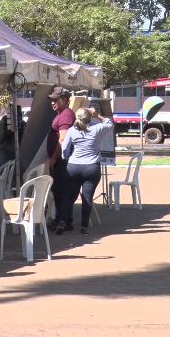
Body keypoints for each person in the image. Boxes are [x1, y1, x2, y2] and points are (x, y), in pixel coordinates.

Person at [59, 107, 113, 235]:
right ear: (90, 117)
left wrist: (66, 157)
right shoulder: (96, 129)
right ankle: (84, 227)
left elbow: (65, 148)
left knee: (69, 197)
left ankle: (62, 221)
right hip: (91, 166)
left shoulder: (72, 130)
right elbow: (109, 123)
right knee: (87, 197)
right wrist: (97, 115)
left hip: (73, 166)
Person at [46, 87, 76, 232]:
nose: (52, 102)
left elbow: (62, 140)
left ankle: (63, 220)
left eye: (55, 99)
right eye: (51, 100)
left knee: (61, 191)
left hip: (62, 161)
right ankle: (62, 219)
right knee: (59, 191)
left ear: (64, 100)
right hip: (60, 160)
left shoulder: (65, 116)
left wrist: (53, 159)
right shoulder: (62, 114)